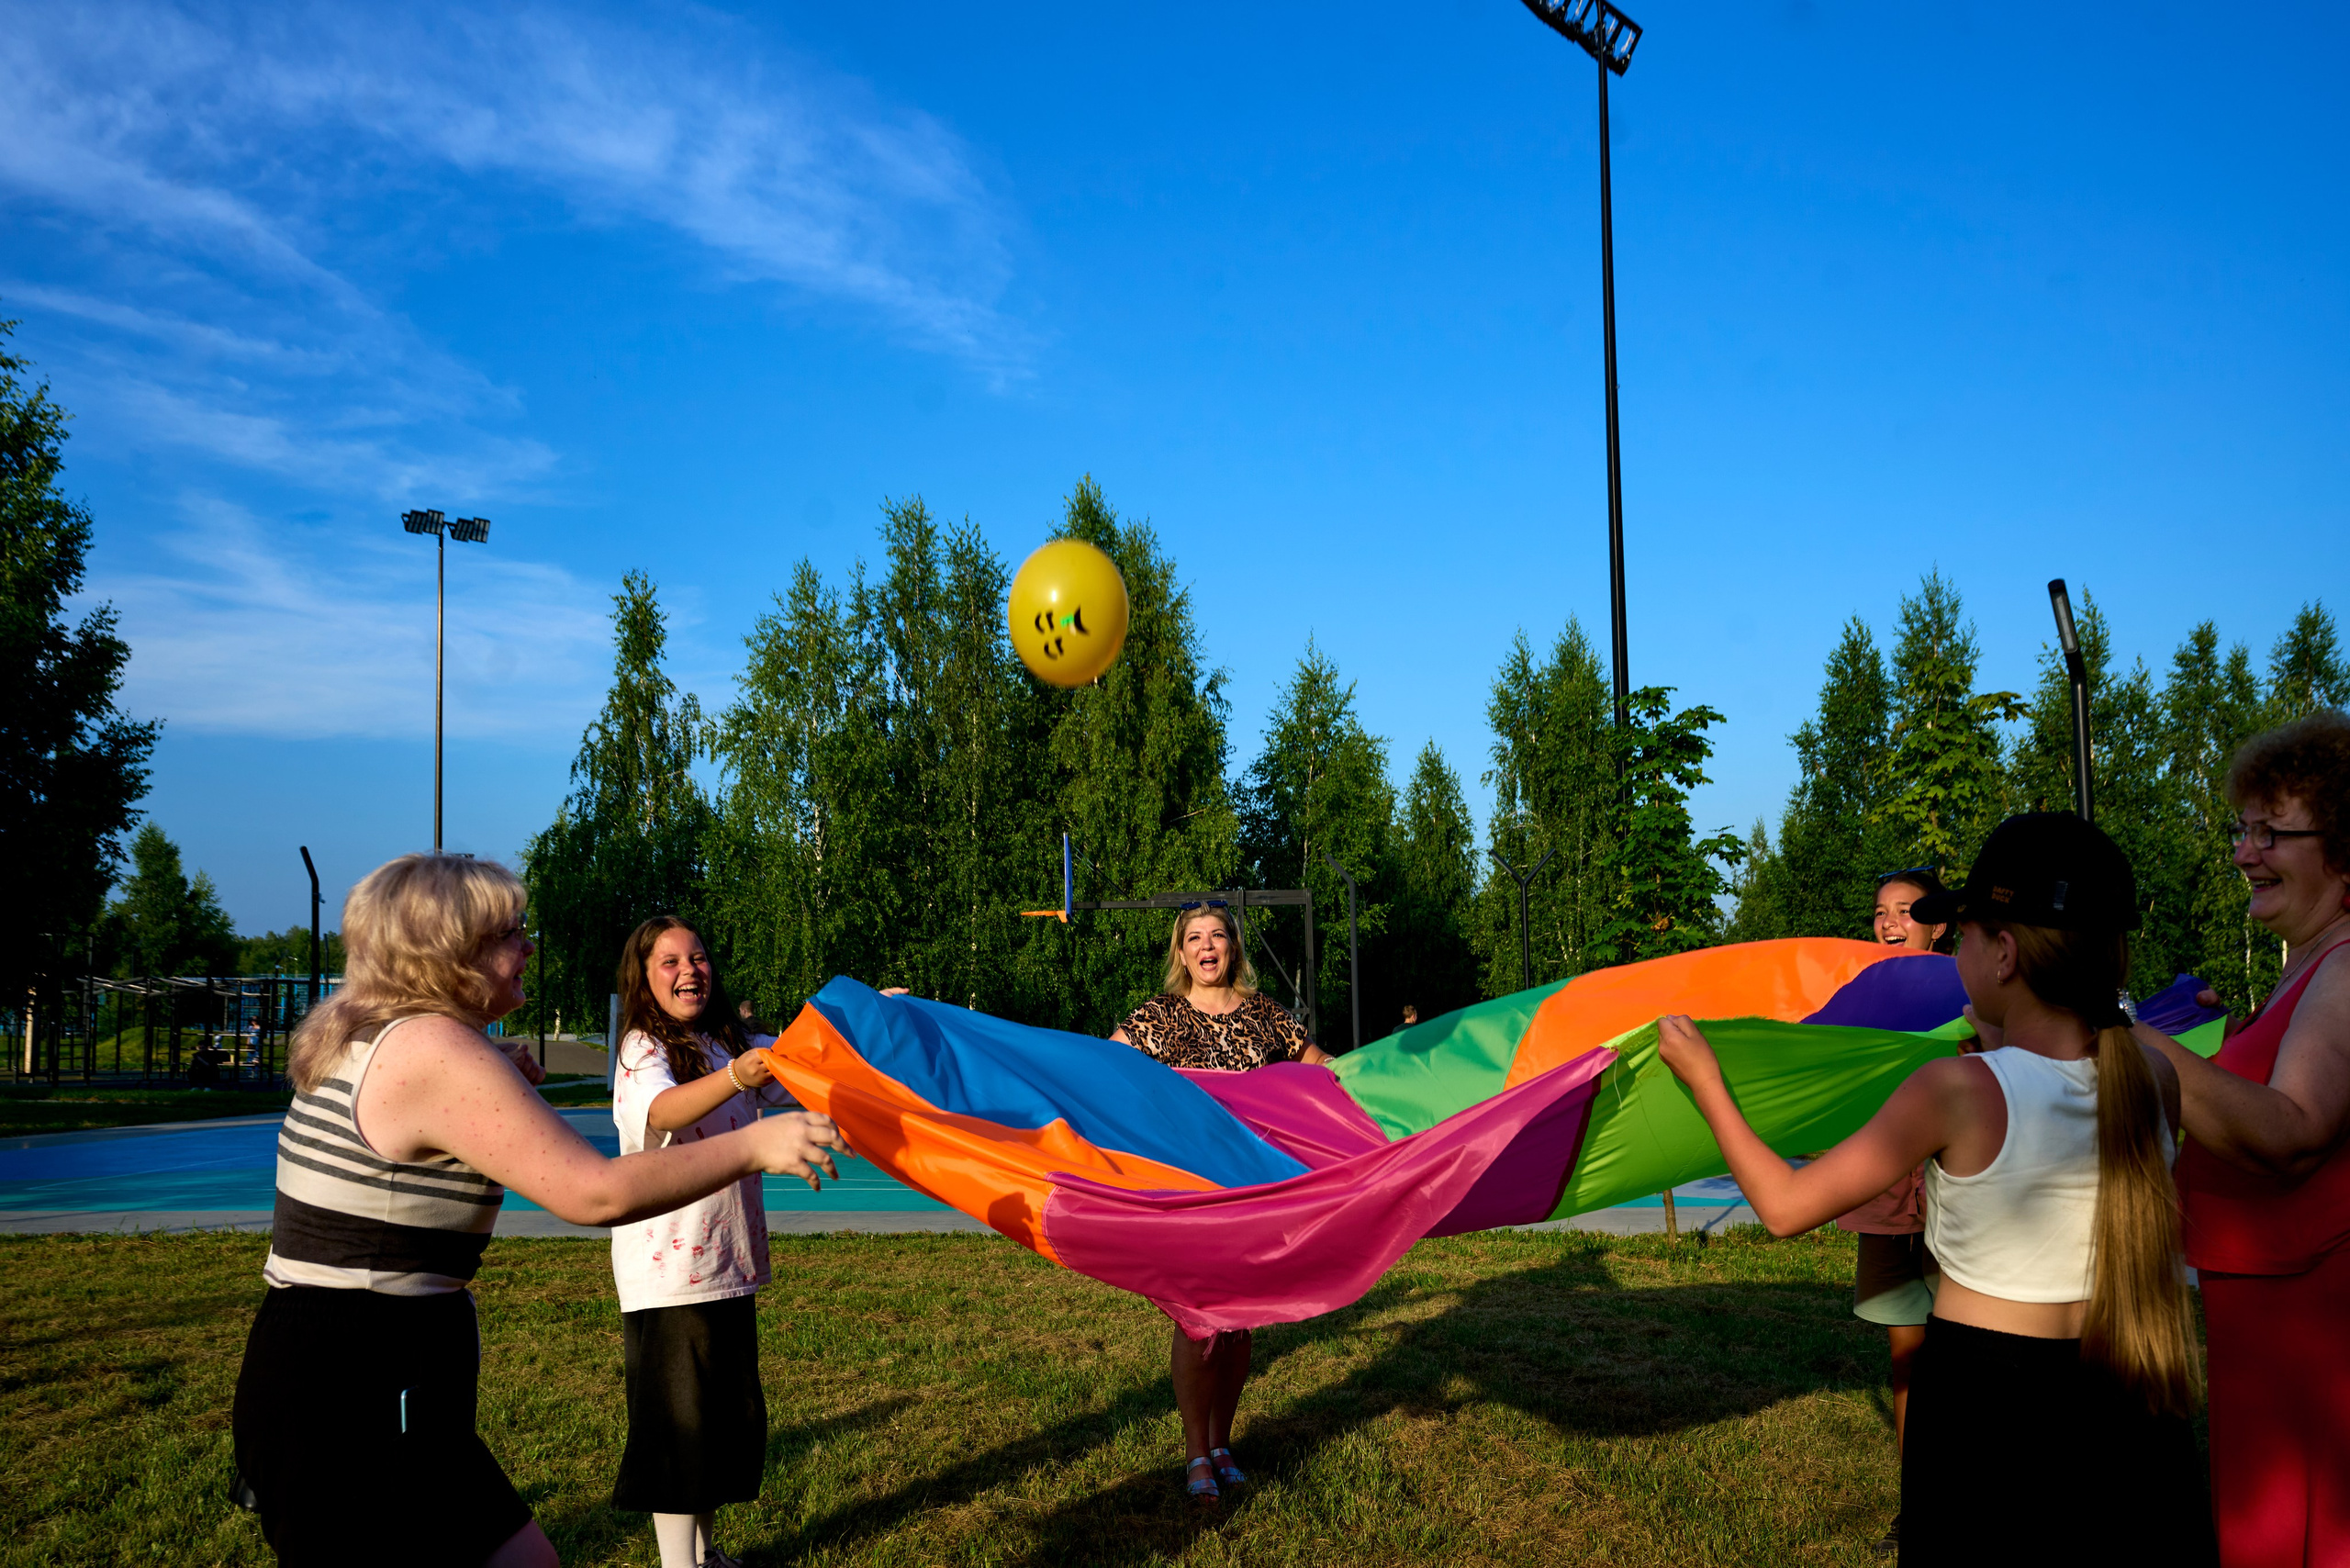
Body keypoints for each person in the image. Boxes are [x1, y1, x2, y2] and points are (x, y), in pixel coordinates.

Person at [230, 855, 848, 1568]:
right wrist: (752, 1146)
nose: (529, 947)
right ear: (449, 948)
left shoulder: (373, 1032)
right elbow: (595, 1191)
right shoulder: (433, 1046)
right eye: (509, 933)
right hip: (355, 1390)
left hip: (362, 1370)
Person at [1658, 814, 2213, 1566]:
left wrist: (1707, 1083)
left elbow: (1786, 1208)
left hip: (1987, 1410)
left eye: (1966, 936)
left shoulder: (1956, 1088)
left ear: (2005, 954)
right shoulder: (2155, 1078)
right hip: (2131, 1397)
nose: (1955, 954)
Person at [2143, 710, 2350, 1568]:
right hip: (2261, 1327)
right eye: (2243, 828)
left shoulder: (2348, 966)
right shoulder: (2307, 967)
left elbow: (2294, 1132)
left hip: (2312, 1336)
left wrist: (2135, 1043)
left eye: (2273, 832)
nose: (2243, 852)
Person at [1108, 901, 1332, 1504]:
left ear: (1234, 946)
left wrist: (1388, 1077)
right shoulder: (1157, 1017)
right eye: (1194, 938)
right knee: (1198, 1320)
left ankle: (1223, 1442)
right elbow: (1104, 1070)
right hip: (1188, 1192)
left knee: (1239, 1325)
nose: (1207, 947)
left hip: (1256, 1190)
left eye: (1218, 936)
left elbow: (1323, 1071)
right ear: (1180, 953)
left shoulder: (1266, 1016)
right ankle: (1194, 1450)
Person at [609, 918, 800, 1568]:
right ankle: (676, 1565)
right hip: (669, 1279)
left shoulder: (727, 1042)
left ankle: (705, 1553)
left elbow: (806, 1057)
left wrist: (872, 1019)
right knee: (678, 1432)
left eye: (697, 957)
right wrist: (738, 1079)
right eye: (669, 962)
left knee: (719, 1426)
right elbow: (661, 1112)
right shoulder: (642, 1048)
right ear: (644, 976)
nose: (689, 970)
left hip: (726, 1266)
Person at [1840, 866, 1956, 1557]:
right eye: (1880, 912)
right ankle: (1919, 1507)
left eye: (1906, 911)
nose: (1888, 924)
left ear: (1938, 924)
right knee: (1908, 1356)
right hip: (1887, 1197)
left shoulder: (1972, 990)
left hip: (1957, 1196)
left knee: (1972, 1355)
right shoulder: (1859, 994)